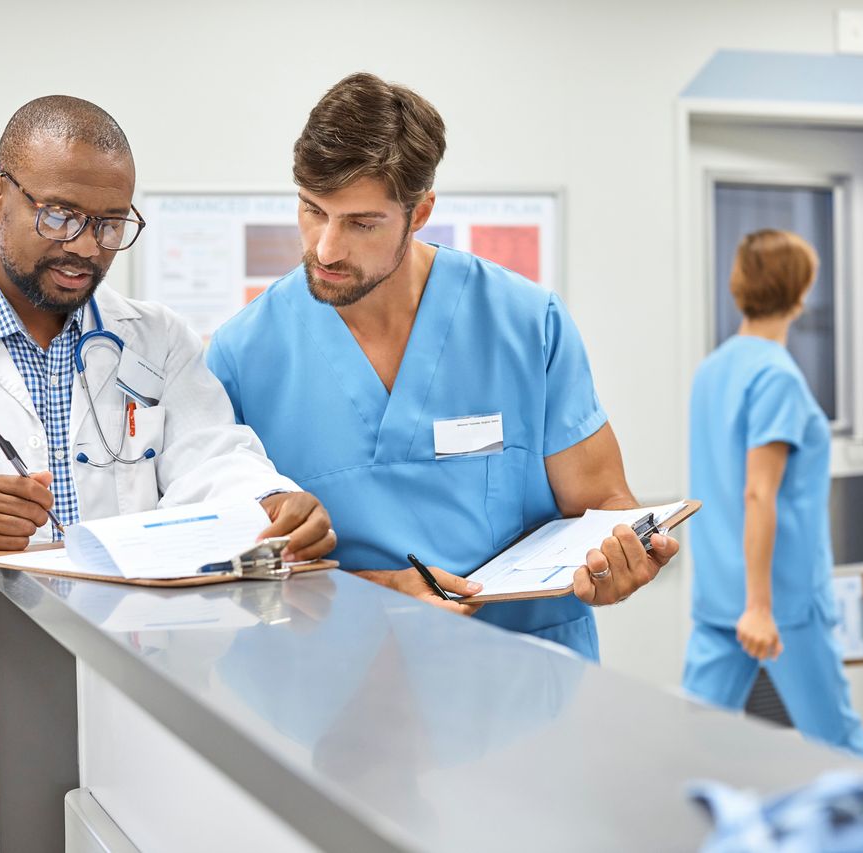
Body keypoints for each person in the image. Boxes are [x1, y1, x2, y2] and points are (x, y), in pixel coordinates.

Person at [0, 95, 334, 851]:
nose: (87, 245)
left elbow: (216, 461)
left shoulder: (157, 341)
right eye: (60, 215)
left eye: (112, 224)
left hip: (133, 725)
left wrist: (269, 501)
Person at [207, 73, 678, 661]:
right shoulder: (242, 355)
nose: (326, 248)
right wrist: (378, 592)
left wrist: (619, 557)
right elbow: (225, 568)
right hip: (342, 699)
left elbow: (602, 501)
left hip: (525, 686)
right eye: (312, 210)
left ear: (420, 211)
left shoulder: (527, 325)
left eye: (362, 223)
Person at [682, 229, 863, 759]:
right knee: (840, 750)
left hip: (719, 595)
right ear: (802, 289)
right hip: (777, 603)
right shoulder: (776, 377)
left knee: (692, 745)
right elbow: (758, 495)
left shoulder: (712, 370)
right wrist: (761, 607)